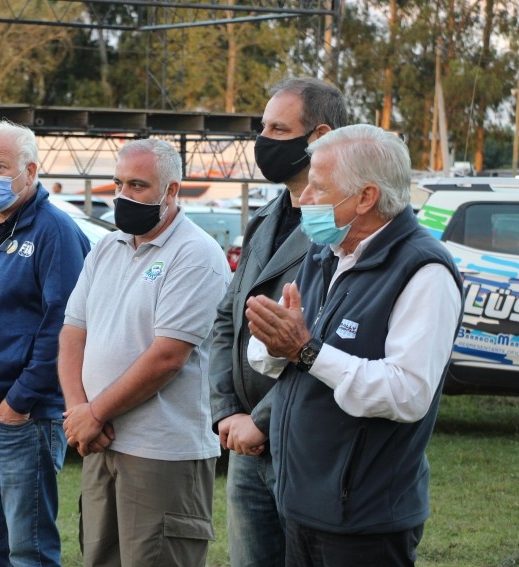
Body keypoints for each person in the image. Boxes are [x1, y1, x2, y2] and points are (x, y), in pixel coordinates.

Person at [245, 124, 463, 566]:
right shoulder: (326, 252)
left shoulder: (423, 270)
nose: (303, 199)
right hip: (301, 505)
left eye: (317, 188)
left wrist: (305, 351)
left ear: (365, 197)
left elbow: (407, 394)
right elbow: (265, 356)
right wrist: (278, 344)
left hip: (365, 521)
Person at [59, 138, 231, 567]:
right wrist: (79, 412)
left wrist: (94, 414)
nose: (123, 195)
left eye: (137, 185)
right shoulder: (107, 247)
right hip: (101, 445)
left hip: (162, 453)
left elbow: (167, 357)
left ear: (172, 191)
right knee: (99, 557)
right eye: (117, 183)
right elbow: (71, 334)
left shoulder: (196, 254)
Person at [209, 77, 347, 567]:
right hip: (245, 447)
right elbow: (227, 318)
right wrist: (226, 411)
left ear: (319, 135)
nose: (262, 140)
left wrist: (260, 421)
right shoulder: (265, 218)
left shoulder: (338, 225)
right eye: (262, 126)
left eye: (277, 128)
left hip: (299, 443)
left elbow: (326, 341)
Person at [0, 120, 90, 567]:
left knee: (29, 550)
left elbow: (62, 325)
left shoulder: (55, 231)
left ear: (30, 171)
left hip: (22, 420)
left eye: (0, 166)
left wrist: (20, 401)